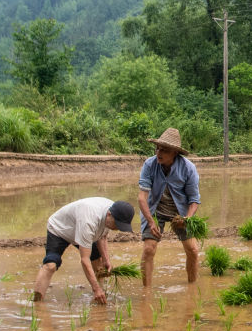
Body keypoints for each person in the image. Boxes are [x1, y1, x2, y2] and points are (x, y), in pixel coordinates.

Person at [32, 197, 135, 305]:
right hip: (60, 229)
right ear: (109, 214)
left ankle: (101, 296)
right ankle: (37, 305)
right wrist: (95, 288)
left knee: (98, 262)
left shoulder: (115, 210)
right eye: (117, 224)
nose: (117, 228)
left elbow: (102, 236)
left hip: (81, 228)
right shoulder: (89, 221)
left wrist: (106, 259)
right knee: (51, 265)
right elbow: (84, 260)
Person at [138, 127, 201, 286]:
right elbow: (142, 198)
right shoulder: (149, 165)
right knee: (148, 250)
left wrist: (187, 218)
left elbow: (194, 200)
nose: (158, 153)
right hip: (154, 212)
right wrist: (150, 221)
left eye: (164, 150)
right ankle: (147, 292)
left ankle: (192, 288)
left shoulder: (188, 168)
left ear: (174, 152)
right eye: (157, 148)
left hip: (180, 213)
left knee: (193, 250)